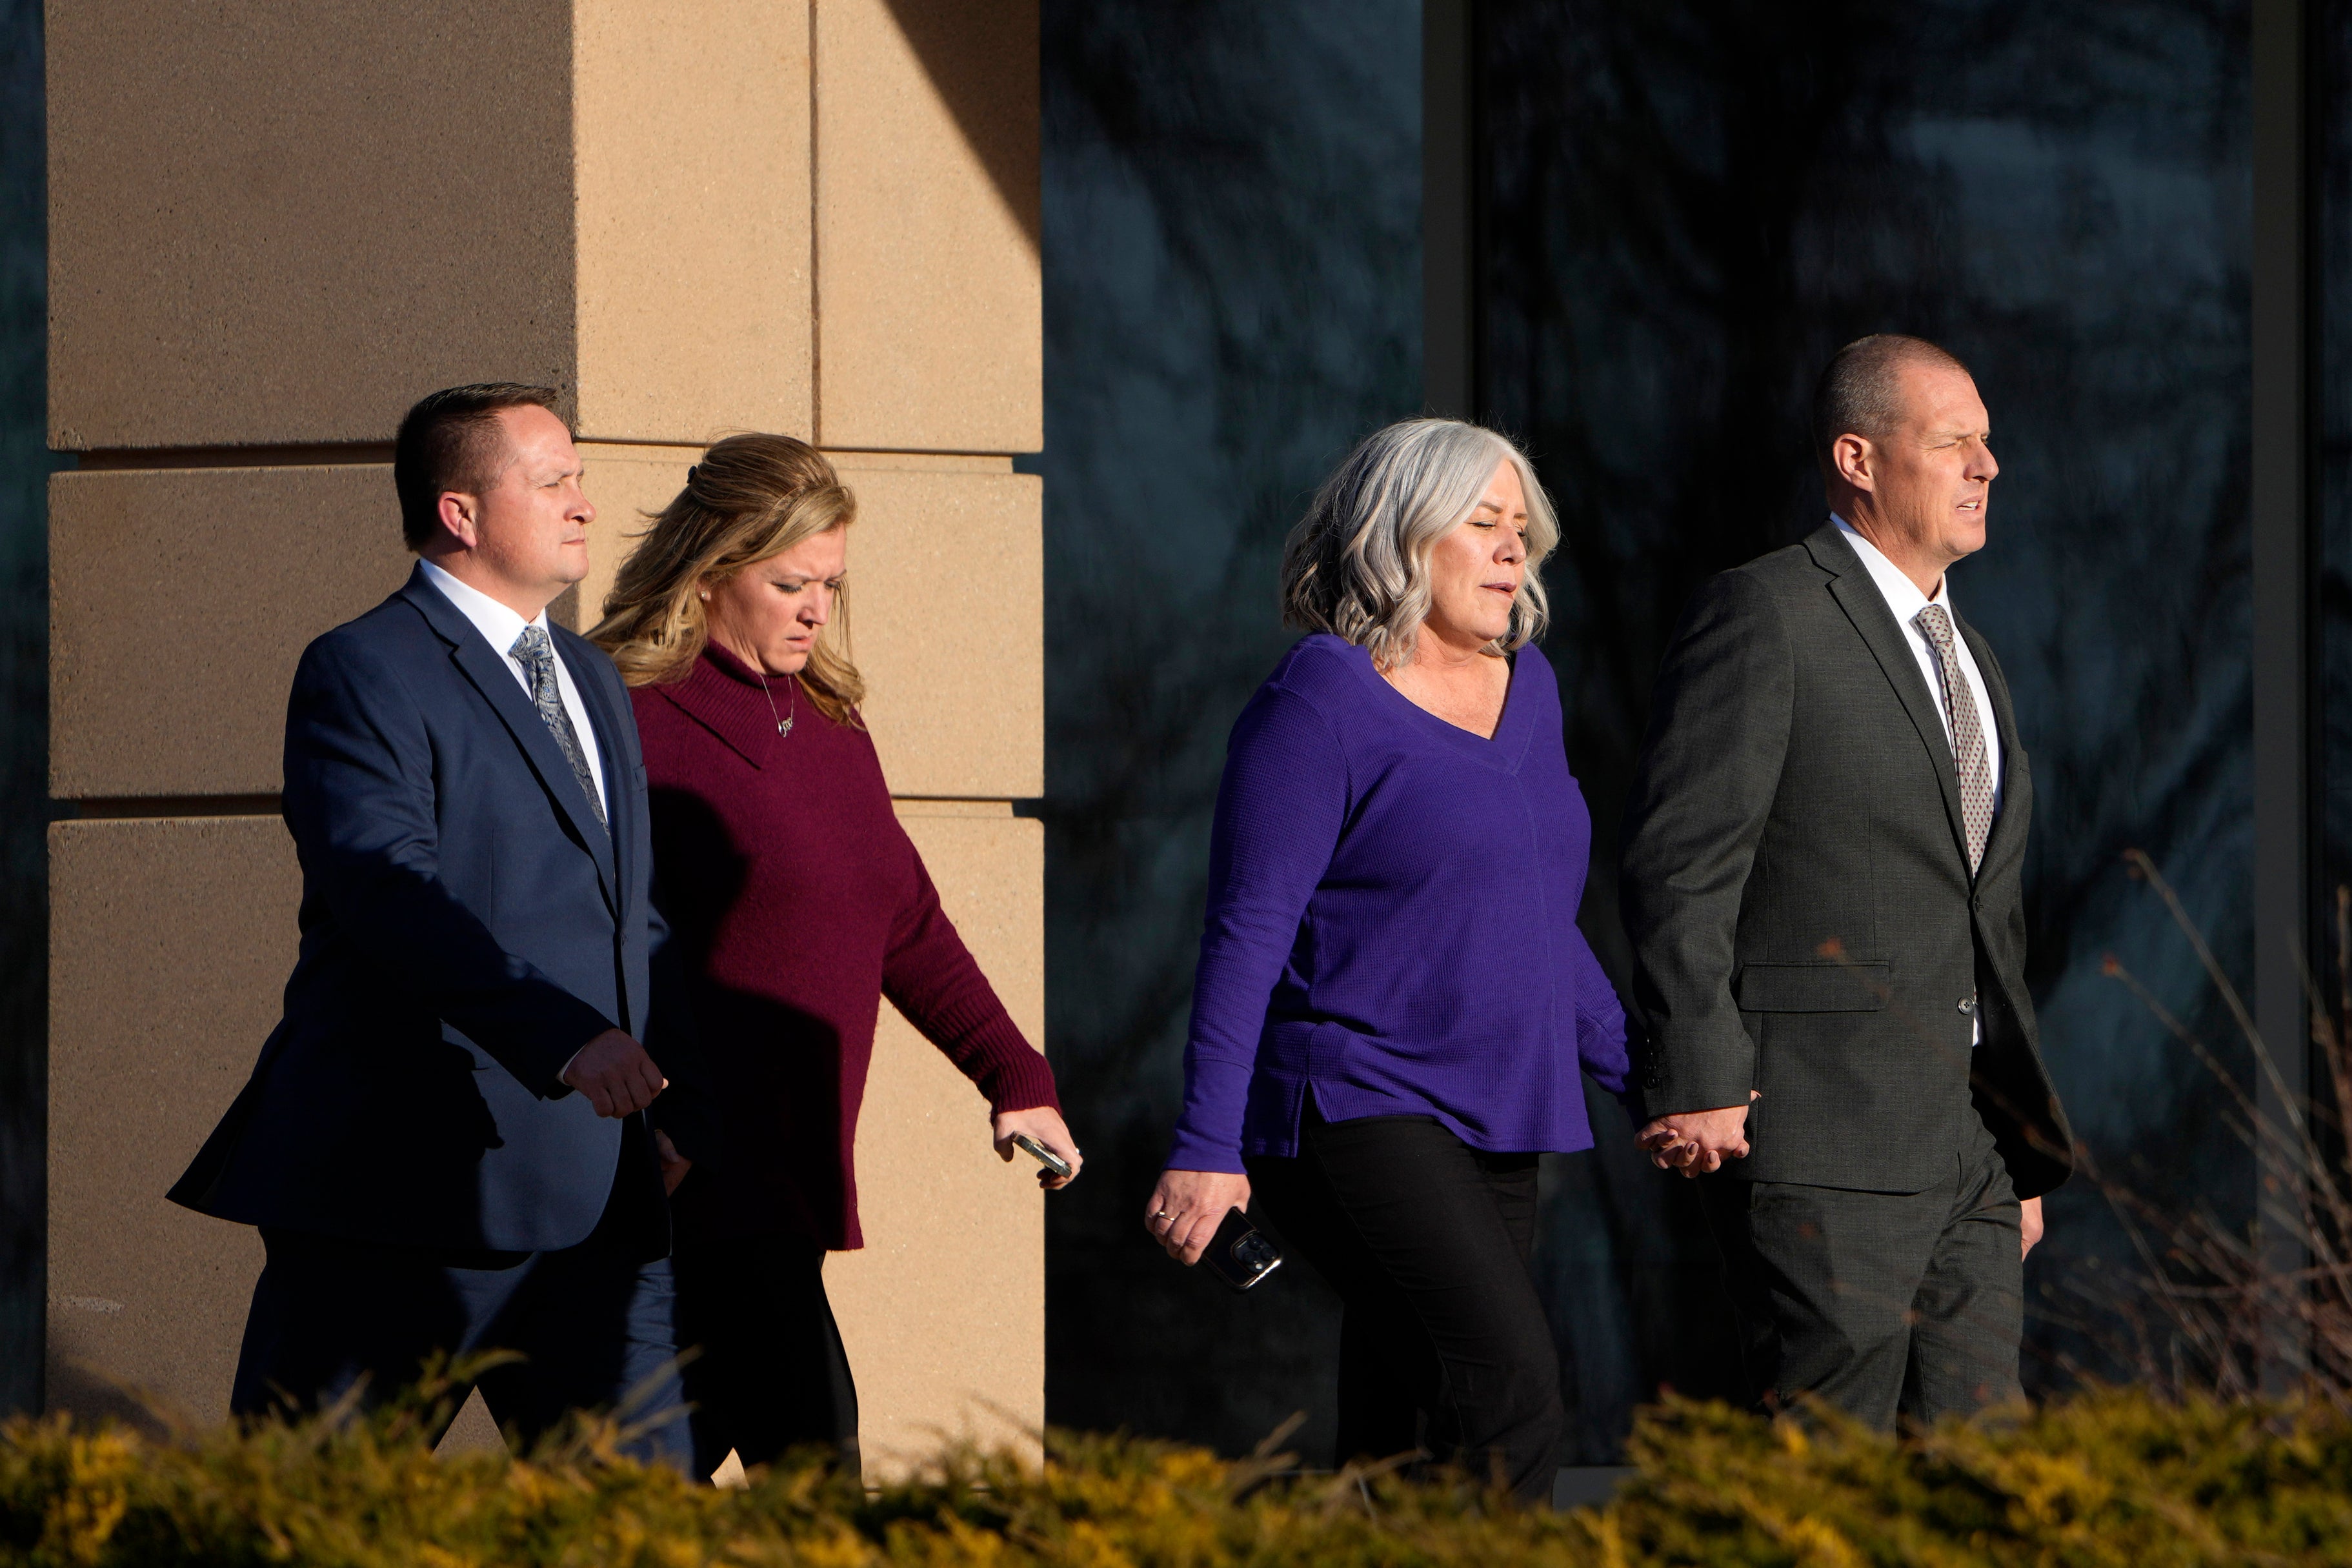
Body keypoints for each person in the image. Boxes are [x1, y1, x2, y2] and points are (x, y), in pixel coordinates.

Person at [170, 383, 713, 1465]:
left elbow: (628, 914)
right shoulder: (364, 667)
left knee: (650, 1530)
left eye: (580, 478)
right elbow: (385, 889)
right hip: (399, 1195)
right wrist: (560, 1036)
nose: (584, 504)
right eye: (552, 480)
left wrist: (673, 1095)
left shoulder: (594, 679)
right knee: (304, 1521)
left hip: (598, 1198)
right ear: (461, 513)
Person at [1145, 417, 1631, 1504]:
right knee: (1509, 1392)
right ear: (1401, 537)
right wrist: (1203, 1142)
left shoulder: (1530, 692)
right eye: (1482, 524)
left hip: (1500, 1109)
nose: (1513, 551)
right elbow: (1245, 934)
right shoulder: (1317, 702)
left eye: (1523, 530)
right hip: (1354, 1103)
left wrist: (1652, 1076)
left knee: (1411, 1429)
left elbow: (1538, 926)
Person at [590, 433, 1079, 1479]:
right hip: (683, 1186)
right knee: (811, 1475)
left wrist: (1013, 1074)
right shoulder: (624, 714)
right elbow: (579, 932)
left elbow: (904, 922)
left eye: (831, 584)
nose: (817, 608)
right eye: (789, 583)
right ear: (712, 569)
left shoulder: (830, 722)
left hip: (788, 1184)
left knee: (639, 1490)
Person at [1620, 334, 2075, 1427]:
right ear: (1857, 459)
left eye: (1988, 442)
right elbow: (1681, 865)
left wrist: (2008, 1144)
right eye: (1954, 441)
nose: (1987, 466)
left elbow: (1982, 915)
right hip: (1819, 1137)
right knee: (1827, 1474)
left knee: (1982, 1479)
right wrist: (1697, 1068)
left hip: (1967, 1144)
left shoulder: (1973, 656)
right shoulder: (1766, 613)